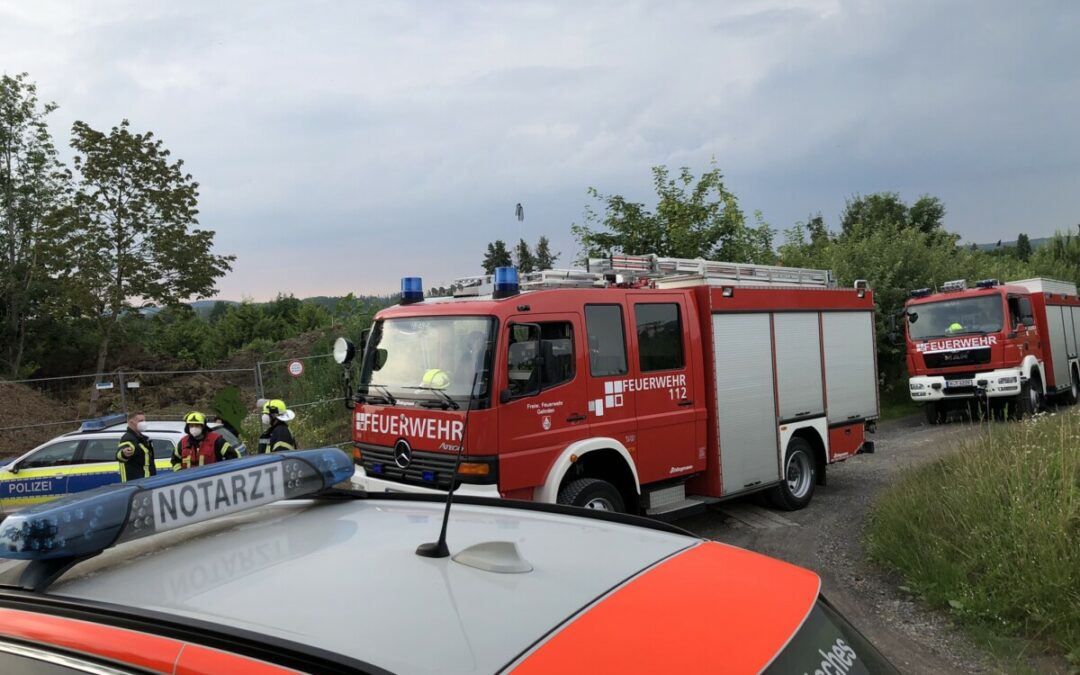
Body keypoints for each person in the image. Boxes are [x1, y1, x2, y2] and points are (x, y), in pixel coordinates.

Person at [172, 411, 239, 470]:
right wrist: (179, 472)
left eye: (197, 425)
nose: (194, 428)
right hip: (189, 482)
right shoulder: (183, 442)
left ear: (203, 426)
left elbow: (234, 456)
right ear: (187, 427)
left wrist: (222, 471)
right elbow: (175, 460)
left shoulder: (216, 440)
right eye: (191, 426)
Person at [116, 411, 156, 482]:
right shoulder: (128, 438)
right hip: (136, 484)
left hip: (146, 482)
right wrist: (124, 453)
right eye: (141, 421)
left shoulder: (143, 439)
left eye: (144, 420)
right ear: (131, 423)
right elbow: (120, 455)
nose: (144, 423)